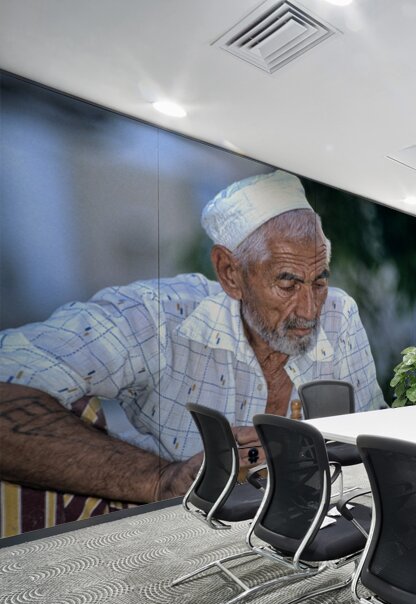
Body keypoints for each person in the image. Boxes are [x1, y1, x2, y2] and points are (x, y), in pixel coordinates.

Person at [0, 170, 385, 530]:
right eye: (287, 283)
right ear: (230, 273)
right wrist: (159, 479)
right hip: (177, 537)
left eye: (319, 281)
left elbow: (371, 432)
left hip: (310, 518)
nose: (309, 310)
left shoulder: (339, 313)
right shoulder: (157, 316)